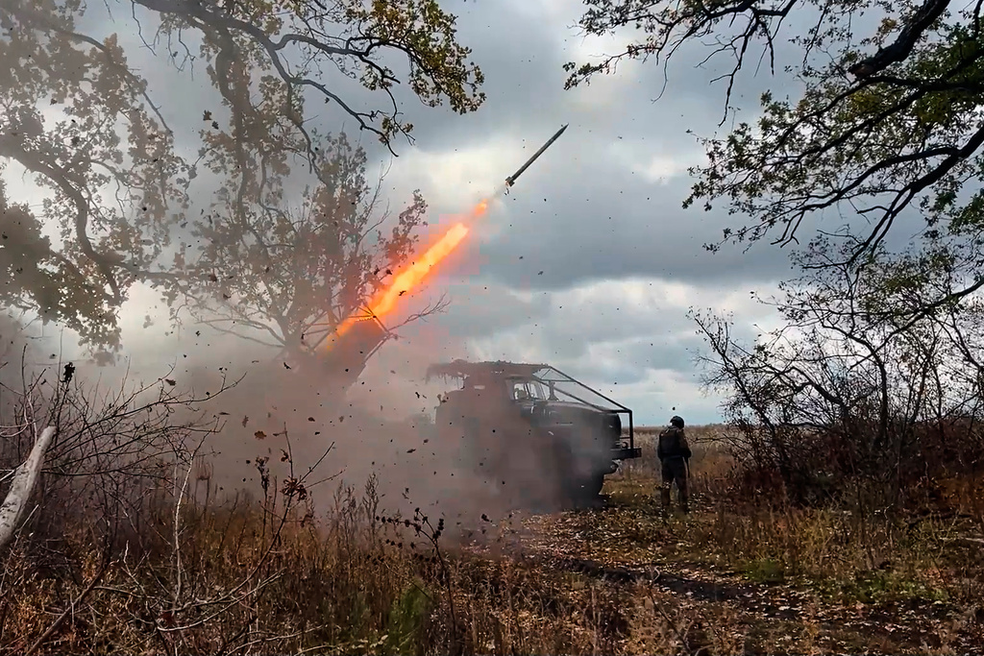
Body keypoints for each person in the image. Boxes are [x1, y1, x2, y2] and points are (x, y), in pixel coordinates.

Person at [657, 415, 692, 513]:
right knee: (682, 485)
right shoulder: (678, 432)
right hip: (677, 462)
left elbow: (659, 450)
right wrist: (687, 454)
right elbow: (684, 446)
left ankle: (665, 507)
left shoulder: (663, 432)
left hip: (666, 462)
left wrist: (664, 461)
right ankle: (684, 508)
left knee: (666, 485)